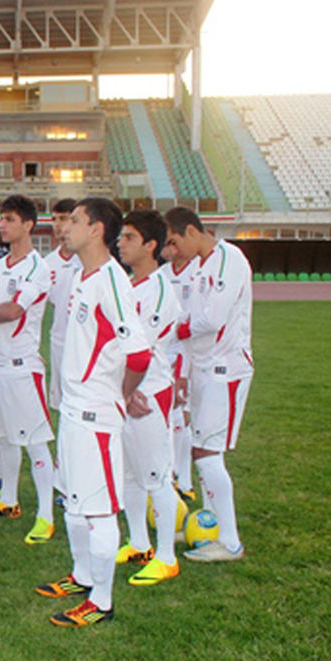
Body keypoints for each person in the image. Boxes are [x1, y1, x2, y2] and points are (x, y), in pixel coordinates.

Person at [35, 197, 150, 628]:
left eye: (76, 221)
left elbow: (139, 354)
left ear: (98, 229)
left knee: (100, 510)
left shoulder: (112, 282)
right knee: (74, 502)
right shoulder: (83, 276)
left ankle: (101, 602)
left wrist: (118, 395)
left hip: (96, 414)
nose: (66, 227)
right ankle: (83, 576)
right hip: (73, 409)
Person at [166, 207, 253, 563]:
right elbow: (192, 320)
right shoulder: (201, 266)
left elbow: (211, 319)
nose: (172, 251)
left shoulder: (229, 259)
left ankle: (230, 541)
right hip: (203, 368)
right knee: (202, 451)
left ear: (191, 230)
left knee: (207, 453)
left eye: (173, 242)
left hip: (225, 368)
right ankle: (214, 530)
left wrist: (172, 328)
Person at [0, 196, 59, 547]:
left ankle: (46, 517)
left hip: (23, 367)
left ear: (28, 225)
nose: (2, 224)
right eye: (1, 218)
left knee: (36, 443)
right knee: (3, 439)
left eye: (9, 219)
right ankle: (8, 501)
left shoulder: (38, 268)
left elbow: (9, 312)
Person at [115, 210, 183, 585]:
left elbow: (138, 348)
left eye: (128, 238)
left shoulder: (159, 290)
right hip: (125, 392)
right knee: (131, 475)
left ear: (150, 245)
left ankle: (167, 556)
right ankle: (139, 542)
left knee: (156, 474)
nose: (120, 244)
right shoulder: (128, 285)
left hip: (147, 393)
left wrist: (129, 392)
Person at [160, 231, 197, 502]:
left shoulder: (198, 271)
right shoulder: (162, 274)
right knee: (171, 413)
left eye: (173, 242)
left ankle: (184, 478)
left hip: (190, 350)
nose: (170, 248)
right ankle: (171, 475)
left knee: (184, 414)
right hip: (166, 351)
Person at [44, 198, 79, 408]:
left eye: (63, 219)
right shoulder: (48, 263)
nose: (57, 224)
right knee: (62, 405)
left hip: (84, 340)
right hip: (58, 339)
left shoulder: (88, 260)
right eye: (54, 219)